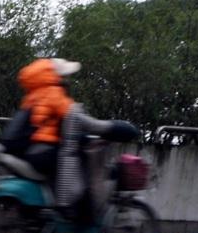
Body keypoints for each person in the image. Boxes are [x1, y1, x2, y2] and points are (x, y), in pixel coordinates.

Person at [17, 57, 135, 221]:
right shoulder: (55, 95)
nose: (68, 80)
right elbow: (82, 121)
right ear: (57, 77)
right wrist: (116, 127)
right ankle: (69, 211)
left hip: (34, 150)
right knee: (77, 179)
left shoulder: (33, 96)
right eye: (65, 76)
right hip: (48, 152)